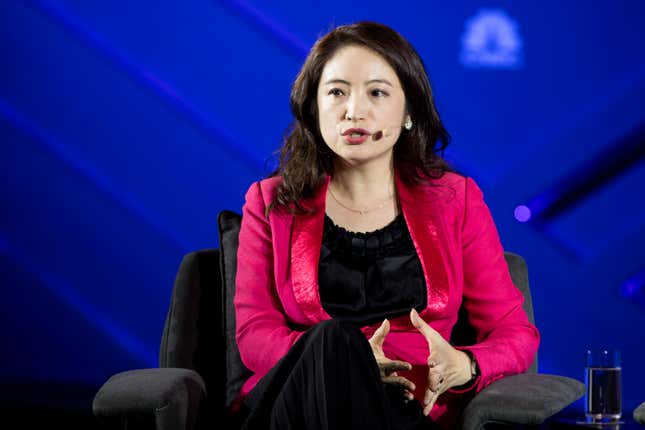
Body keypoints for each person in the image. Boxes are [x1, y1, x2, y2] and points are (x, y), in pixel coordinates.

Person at [233, 21, 540, 430]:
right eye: (337, 92)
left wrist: (466, 363)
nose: (354, 110)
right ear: (314, 107)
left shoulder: (456, 199)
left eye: (377, 92)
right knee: (332, 340)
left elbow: (514, 334)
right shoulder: (271, 202)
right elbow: (255, 334)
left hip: (411, 409)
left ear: (408, 110)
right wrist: (352, 361)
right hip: (297, 404)